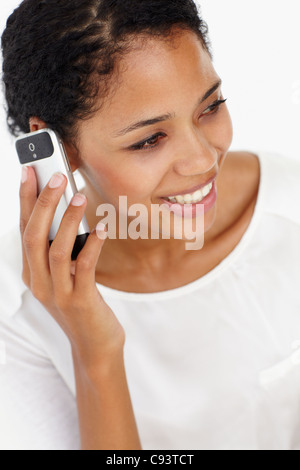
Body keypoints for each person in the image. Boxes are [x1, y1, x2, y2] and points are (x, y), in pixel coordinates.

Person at [0, 0, 299, 451]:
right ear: (57, 147)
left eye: (211, 106)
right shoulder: (19, 309)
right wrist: (94, 353)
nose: (202, 159)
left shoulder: (290, 209)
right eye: (149, 139)